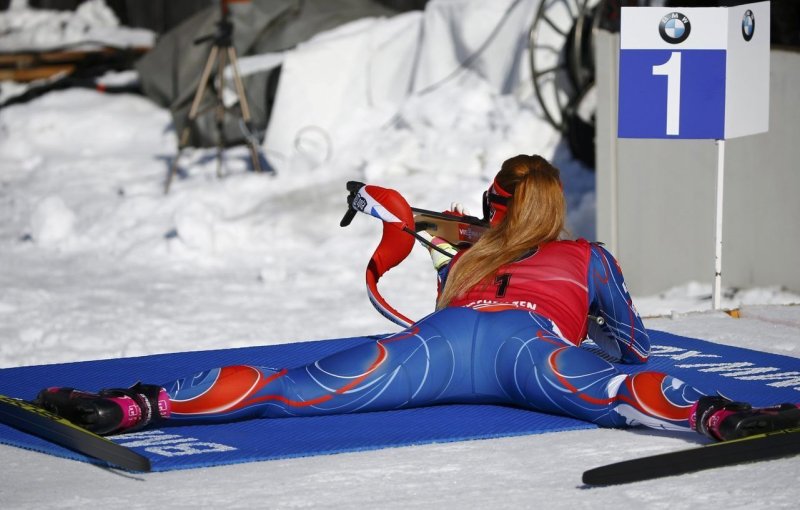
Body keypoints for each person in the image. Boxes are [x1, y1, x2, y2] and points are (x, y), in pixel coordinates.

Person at [36, 155, 798, 442]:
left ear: (495, 209)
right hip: (534, 356)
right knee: (624, 390)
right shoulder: (586, 255)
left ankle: (137, 407)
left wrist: (394, 212)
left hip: (444, 346)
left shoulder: (469, 247)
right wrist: (600, 329)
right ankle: (719, 416)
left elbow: (439, 224)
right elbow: (635, 353)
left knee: (292, 390)